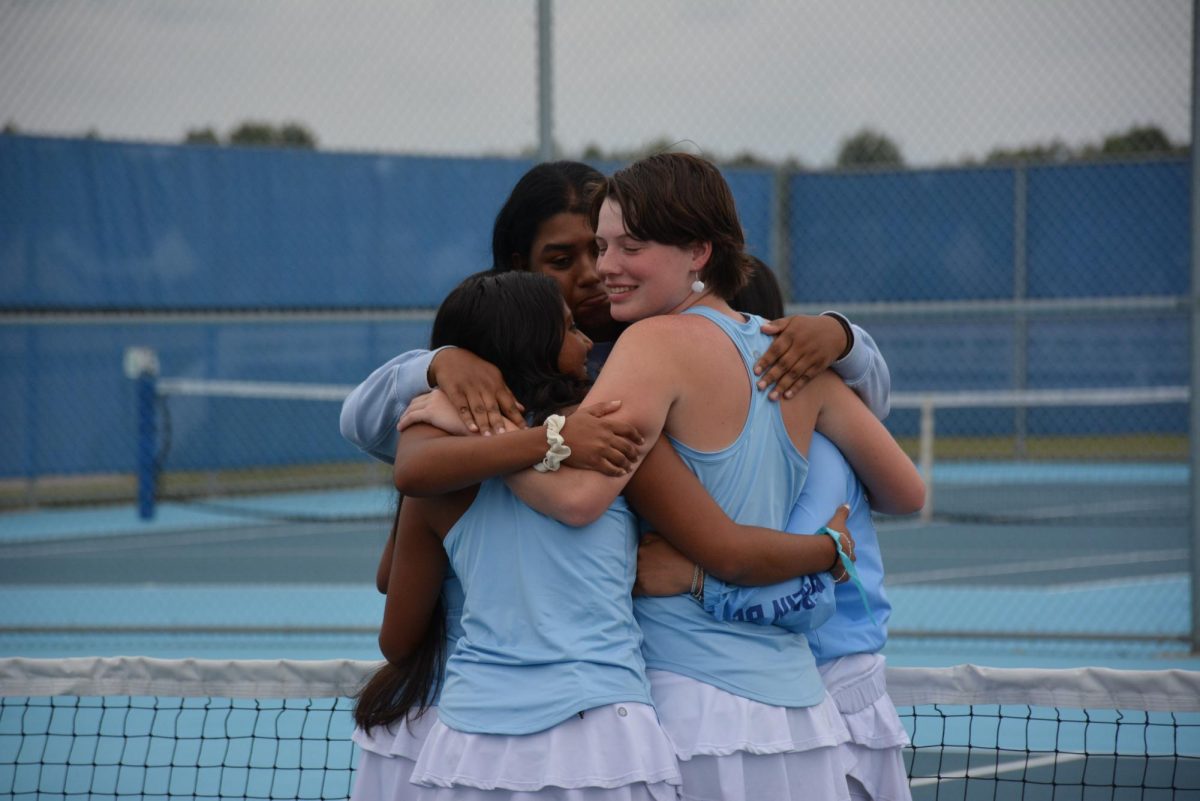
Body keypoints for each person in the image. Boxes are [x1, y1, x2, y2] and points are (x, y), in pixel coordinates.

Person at [410, 153, 925, 801]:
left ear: (698, 252)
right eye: (602, 246)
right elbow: (908, 490)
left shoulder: (650, 345)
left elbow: (576, 498)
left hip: (692, 711)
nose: (605, 267)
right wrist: (843, 338)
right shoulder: (796, 357)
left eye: (632, 245)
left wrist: (473, 425)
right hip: (802, 717)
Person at [355, 270, 682, 801]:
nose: (584, 341)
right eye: (571, 329)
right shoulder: (607, 432)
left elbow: (397, 640)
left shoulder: (435, 478)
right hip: (604, 736)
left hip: (471, 746)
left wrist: (472, 427)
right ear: (533, 347)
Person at [339, 160, 890, 463]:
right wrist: (437, 364)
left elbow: (867, 413)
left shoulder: (681, 338)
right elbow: (364, 427)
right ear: (515, 267)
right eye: (562, 258)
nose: (596, 271)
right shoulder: (487, 364)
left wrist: (844, 338)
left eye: (611, 247)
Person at [637, 255, 914, 801]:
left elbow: (802, 575)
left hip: (836, 683)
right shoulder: (734, 443)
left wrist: (692, 577)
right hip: (791, 680)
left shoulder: (819, 450)